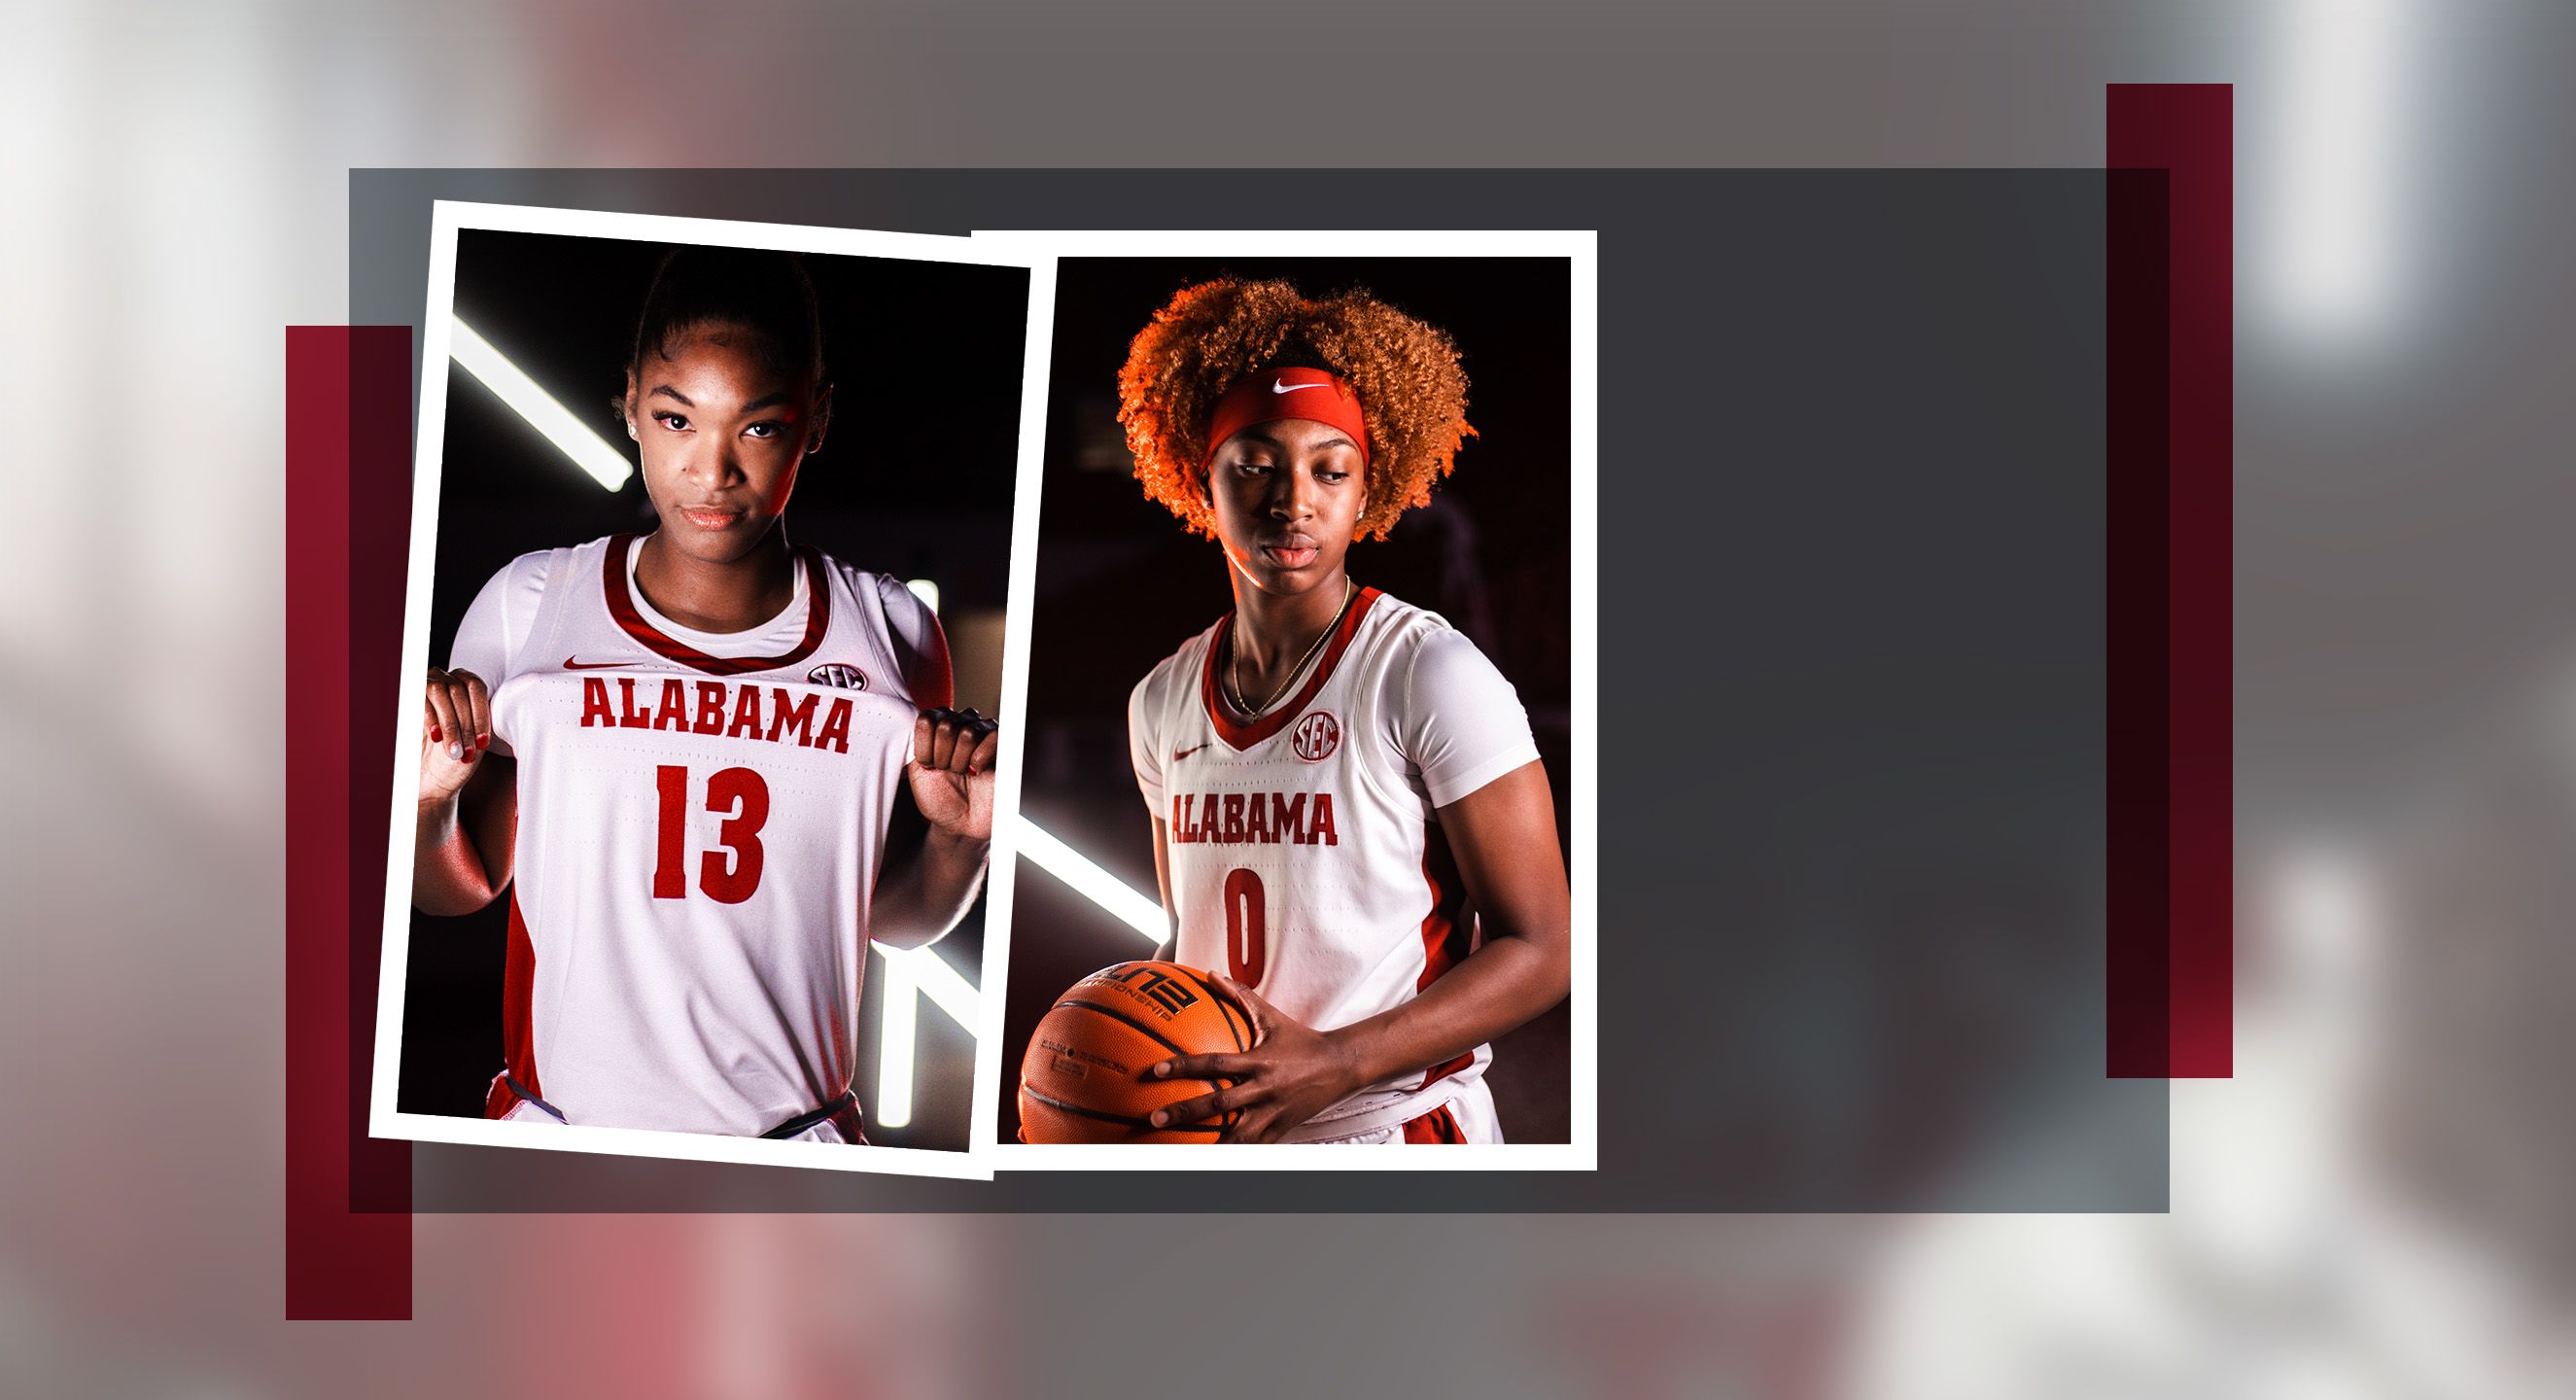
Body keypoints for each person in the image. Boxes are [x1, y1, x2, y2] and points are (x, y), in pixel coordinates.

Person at [411, 247, 996, 1144]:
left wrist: (961, 840)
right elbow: (461, 886)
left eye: (758, 427)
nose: (712, 468)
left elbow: (889, 919)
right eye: (677, 418)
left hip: (797, 1140)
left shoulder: (890, 631)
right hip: (565, 1133)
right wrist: (424, 806)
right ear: (632, 408)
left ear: (817, 419)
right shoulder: (533, 607)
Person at [1115, 277, 1572, 1143]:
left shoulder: (1428, 671)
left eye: (1330, 469)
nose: (1294, 500)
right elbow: (1189, 941)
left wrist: (1338, 1062)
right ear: (1196, 477)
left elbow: (1547, 948)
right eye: (1255, 466)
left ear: (1369, 491)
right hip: (1231, 1139)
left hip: (1393, 1128)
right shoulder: (1161, 700)